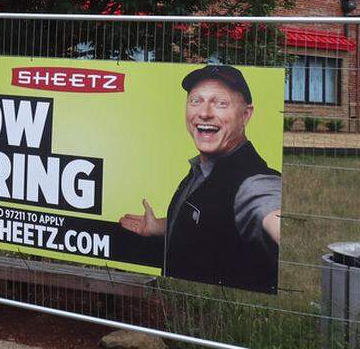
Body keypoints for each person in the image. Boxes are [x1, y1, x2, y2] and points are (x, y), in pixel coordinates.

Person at [118, 64, 281, 293]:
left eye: (221, 103)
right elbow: (214, 220)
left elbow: (270, 211)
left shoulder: (254, 183)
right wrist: (161, 226)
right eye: (196, 101)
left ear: (246, 114)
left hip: (224, 318)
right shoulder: (203, 168)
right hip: (185, 310)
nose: (204, 112)